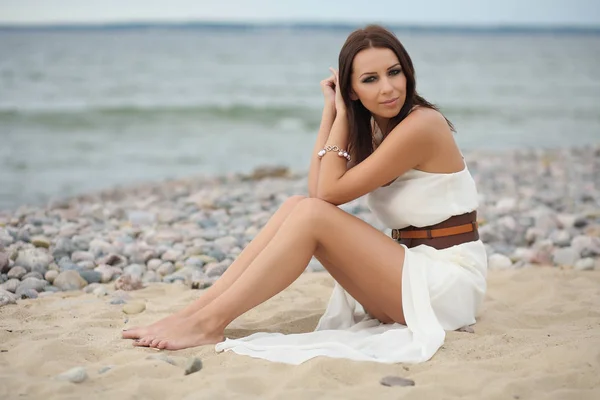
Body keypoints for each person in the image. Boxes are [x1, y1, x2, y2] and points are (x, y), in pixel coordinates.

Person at [122, 25, 487, 364]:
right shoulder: (378, 131)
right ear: (353, 90)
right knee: (297, 206)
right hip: (410, 273)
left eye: (394, 72)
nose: (388, 88)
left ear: (407, 71)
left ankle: (208, 322)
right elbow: (316, 190)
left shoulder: (422, 125)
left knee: (312, 214)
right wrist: (333, 111)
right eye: (370, 80)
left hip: (447, 282)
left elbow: (326, 195)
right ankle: (193, 315)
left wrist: (342, 113)